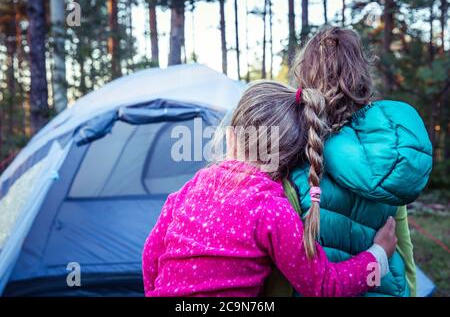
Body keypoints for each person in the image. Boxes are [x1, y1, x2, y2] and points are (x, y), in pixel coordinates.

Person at [142, 81, 397, 297]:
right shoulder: (272, 209)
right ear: (289, 159)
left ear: (231, 137)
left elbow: (150, 256)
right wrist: (378, 258)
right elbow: (321, 285)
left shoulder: (189, 189)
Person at [265, 26, 432, 297]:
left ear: (304, 78)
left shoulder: (292, 158)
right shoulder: (388, 159)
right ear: (363, 76)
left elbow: (279, 271)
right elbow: (404, 251)